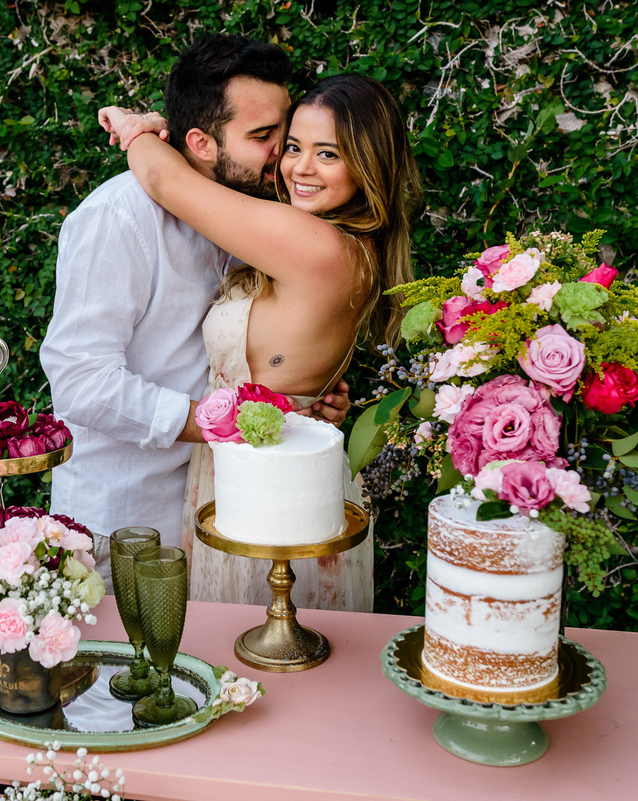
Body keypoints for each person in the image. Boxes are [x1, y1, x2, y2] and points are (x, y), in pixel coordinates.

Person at [99, 72, 423, 612]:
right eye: (294, 146)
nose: (299, 167)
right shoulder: (346, 243)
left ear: (369, 166)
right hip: (270, 466)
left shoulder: (315, 243)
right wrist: (305, 402)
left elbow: (165, 183)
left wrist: (139, 130)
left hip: (268, 485)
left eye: (328, 154)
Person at [39, 35, 350, 589]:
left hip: (227, 506)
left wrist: (299, 402)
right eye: (263, 136)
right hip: (130, 524)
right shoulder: (119, 217)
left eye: (284, 130)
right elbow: (80, 382)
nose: (285, 151)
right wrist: (235, 424)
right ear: (201, 143)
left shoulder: (256, 212)